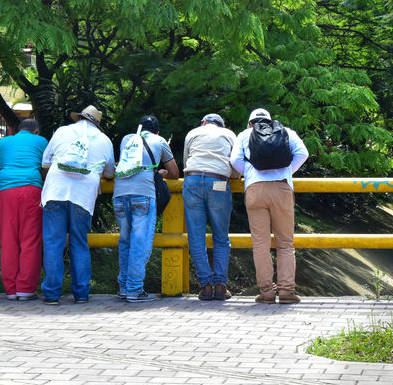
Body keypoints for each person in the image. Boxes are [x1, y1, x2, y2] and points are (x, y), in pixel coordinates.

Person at [230, 108, 308, 304]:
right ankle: (287, 291)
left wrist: (249, 174)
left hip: (255, 190)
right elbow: (303, 153)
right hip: (281, 187)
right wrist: (287, 171)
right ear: (270, 121)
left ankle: (266, 292)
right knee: (285, 243)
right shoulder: (286, 131)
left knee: (260, 244)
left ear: (250, 123)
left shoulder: (244, 135)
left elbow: (234, 160)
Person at [40, 105, 115, 305]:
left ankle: (52, 294)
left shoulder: (62, 131)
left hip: (55, 190)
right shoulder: (104, 140)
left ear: (79, 118)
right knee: (79, 242)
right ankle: (81, 293)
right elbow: (109, 173)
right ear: (97, 123)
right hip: (83, 195)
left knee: (53, 243)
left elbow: (45, 162)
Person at [113, 115, 178, 303]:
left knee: (125, 241)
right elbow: (174, 172)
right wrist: (161, 172)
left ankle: (124, 287)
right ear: (157, 131)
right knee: (139, 243)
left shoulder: (127, 139)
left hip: (119, 195)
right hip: (143, 195)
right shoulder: (160, 141)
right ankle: (134, 289)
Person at [182, 113, 237, 301]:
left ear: (203, 122)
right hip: (218, 183)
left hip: (192, 180)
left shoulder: (193, 133)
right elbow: (235, 165)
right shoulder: (229, 134)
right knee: (221, 236)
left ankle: (205, 286)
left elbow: (185, 160)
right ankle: (221, 286)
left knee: (196, 237)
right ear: (220, 125)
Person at [0, 119, 48, 301]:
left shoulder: (2, 142)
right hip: (31, 189)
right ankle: (25, 289)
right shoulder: (41, 141)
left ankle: (10, 290)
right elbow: (46, 168)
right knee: (30, 240)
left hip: (5, 190)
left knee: (8, 240)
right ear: (35, 131)